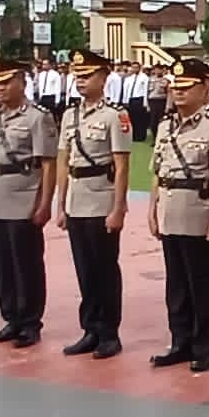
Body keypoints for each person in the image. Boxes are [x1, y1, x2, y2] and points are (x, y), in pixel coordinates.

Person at [149, 58, 209, 372]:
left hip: (199, 211)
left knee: (202, 285)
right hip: (171, 209)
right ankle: (179, 342)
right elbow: (158, 171)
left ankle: (201, 347)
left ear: (203, 88)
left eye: (186, 87)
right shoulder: (165, 126)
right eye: (176, 87)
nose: (179, 93)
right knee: (176, 285)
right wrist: (152, 208)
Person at [54, 49, 131, 359]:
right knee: (84, 269)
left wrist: (118, 207)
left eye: (87, 76)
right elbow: (63, 160)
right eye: (77, 76)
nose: (81, 81)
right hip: (76, 198)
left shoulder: (115, 115)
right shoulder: (70, 115)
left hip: (101, 199)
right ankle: (90, 329)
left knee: (104, 269)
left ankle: (109, 333)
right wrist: (61, 203)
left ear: (104, 77)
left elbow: (122, 165)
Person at [0, 58, 57, 347]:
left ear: (22, 82)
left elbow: (48, 164)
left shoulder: (37, 117)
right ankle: (11, 317)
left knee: (27, 263)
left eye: (5, 82)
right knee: (3, 262)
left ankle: (29, 322)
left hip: (25, 194)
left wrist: (45, 203)